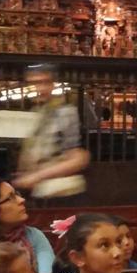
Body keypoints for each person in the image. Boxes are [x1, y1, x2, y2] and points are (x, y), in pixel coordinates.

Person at [14, 63, 90, 199]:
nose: (40, 88)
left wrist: (37, 176)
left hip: (58, 193)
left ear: (53, 85)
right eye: (34, 83)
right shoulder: (36, 112)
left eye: (45, 82)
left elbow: (78, 158)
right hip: (35, 190)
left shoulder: (64, 113)